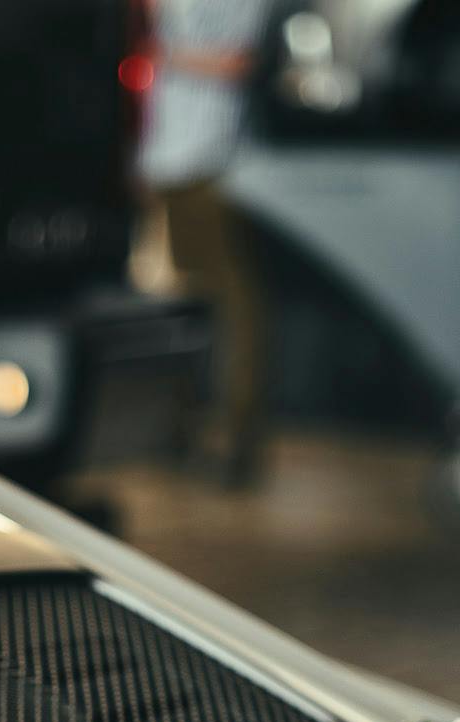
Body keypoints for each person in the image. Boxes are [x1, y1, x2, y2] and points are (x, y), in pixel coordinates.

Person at [141, 0, 276, 488]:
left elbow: (238, 61)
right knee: (195, 297)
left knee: (232, 303)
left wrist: (158, 53)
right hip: (173, 159)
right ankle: (193, 432)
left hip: (210, 161)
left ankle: (233, 438)